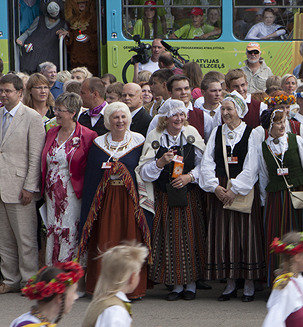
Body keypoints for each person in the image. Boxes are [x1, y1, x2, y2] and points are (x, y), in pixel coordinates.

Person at [138, 99, 207, 301]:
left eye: (182, 115)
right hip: (165, 196)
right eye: (175, 115)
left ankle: (191, 284)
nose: (179, 119)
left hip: (188, 195)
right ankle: (176, 285)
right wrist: (159, 163)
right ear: (166, 117)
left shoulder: (192, 134)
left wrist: (189, 177)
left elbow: (204, 164)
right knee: (170, 240)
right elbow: (144, 172)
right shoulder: (156, 137)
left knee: (192, 237)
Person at [79, 101, 149, 299]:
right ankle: (104, 288)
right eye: (116, 117)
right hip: (105, 200)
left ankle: (131, 288)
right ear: (108, 121)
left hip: (130, 200)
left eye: (123, 117)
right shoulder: (98, 144)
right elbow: (92, 176)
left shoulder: (139, 141)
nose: (120, 121)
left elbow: (143, 171)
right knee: (106, 241)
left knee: (129, 243)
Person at [199, 92, 265, 301]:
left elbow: (252, 165)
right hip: (220, 190)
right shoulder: (217, 132)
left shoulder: (251, 133)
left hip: (242, 191)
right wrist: (215, 188)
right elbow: (207, 162)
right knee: (223, 237)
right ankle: (229, 282)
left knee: (246, 237)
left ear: (239, 111)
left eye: (230, 109)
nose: (226, 113)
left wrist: (235, 189)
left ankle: (247, 282)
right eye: (223, 109)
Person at [255, 108, 303, 283]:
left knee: (299, 235)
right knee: (278, 235)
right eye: (277, 122)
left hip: (298, 194)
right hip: (276, 199)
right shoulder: (263, 147)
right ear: (269, 126)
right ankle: (281, 279)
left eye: (283, 121)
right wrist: (263, 201)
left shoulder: (296, 140)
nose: (282, 126)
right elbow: (263, 175)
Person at [0, 73, 45, 295]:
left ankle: (29, 279)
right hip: (1, 186)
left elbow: (36, 156)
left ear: (20, 92)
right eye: (1, 91)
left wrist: (30, 186)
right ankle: (10, 279)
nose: (3, 95)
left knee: (25, 237)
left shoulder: (32, 117)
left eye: (8, 91)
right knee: (4, 239)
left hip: (20, 187)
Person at [42, 92, 97, 265]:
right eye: (55, 109)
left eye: (60, 110)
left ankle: (72, 279)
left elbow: (91, 168)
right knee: (53, 230)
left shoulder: (87, 135)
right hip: (51, 195)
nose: (56, 113)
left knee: (70, 232)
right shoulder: (51, 133)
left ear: (73, 113)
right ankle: (54, 275)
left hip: (73, 193)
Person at [60, 0, 99, 75]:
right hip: (75, 54)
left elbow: (98, 35)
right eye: (78, 3)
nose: (81, 5)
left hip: (89, 55)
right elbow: (72, 35)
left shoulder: (92, 18)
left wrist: (89, 38)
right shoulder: (73, 19)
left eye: (84, 3)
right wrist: (68, 34)